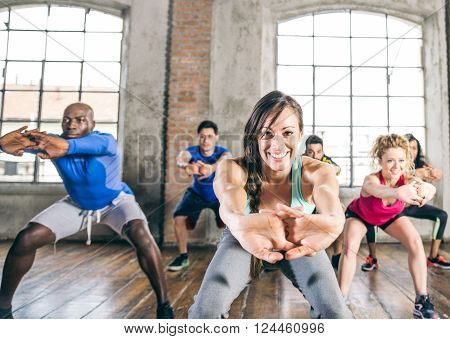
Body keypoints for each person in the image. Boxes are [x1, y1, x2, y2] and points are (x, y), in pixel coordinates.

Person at [0, 103, 173, 319]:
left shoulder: (105, 140)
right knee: (27, 238)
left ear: (92, 123)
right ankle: (3, 308)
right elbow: (22, 144)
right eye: (67, 119)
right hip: (78, 204)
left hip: (115, 202)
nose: (71, 124)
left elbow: (80, 146)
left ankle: (164, 306)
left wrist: (60, 146)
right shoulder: (50, 140)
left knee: (139, 233)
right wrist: (1, 145)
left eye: (80, 119)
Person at [188, 91, 352, 319]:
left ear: (301, 134)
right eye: (267, 133)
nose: (277, 144)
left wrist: (334, 222)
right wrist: (240, 225)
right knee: (205, 313)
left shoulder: (318, 171)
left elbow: (329, 199)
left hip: (299, 241)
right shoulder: (233, 168)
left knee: (338, 315)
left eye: (287, 133)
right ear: (256, 135)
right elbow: (229, 202)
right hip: (244, 237)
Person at [337, 134, 439, 319]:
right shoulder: (371, 180)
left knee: (415, 241)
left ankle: (421, 300)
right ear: (380, 161)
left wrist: (426, 192)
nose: (396, 166)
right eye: (390, 161)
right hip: (360, 216)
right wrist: (397, 192)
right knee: (351, 245)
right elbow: (378, 190)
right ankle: (338, 300)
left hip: (387, 217)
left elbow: (430, 188)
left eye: (401, 160)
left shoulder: (407, 178)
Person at [362, 134, 448, 270]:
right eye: (409, 147)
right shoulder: (392, 167)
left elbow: (436, 176)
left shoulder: (421, 164)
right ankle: (372, 257)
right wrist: (415, 177)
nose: (412, 151)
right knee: (372, 216)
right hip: (396, 205)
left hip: (412, 204)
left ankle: (433, 257)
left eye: (414, 148)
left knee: (442, 215)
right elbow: (378, 185)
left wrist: (429, 183)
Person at [168, 121, 231, 271]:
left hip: (218, 195)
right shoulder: (193, 152)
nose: (205, 140)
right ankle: (183, 257)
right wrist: (186, 166)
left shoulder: (222, 152)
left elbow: (227, 158)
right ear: (198, 137)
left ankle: (232, 257)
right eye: (202, 136)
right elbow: (181, 158)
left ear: (216, 137)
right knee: (179, 218)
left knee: (229, 221)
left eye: (209, 136)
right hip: (197, 194)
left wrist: (212, 168)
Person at [303, 134, 343, 269]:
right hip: (305, 201)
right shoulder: (300, 161)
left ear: (323, 152)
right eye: (311, 152)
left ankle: (337, 255)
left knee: (341, 211)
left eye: (318, 152)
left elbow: (338, 169)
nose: (315, 156)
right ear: (306, 152)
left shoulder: (326, 161)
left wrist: (324, 167)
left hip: (323, 200)